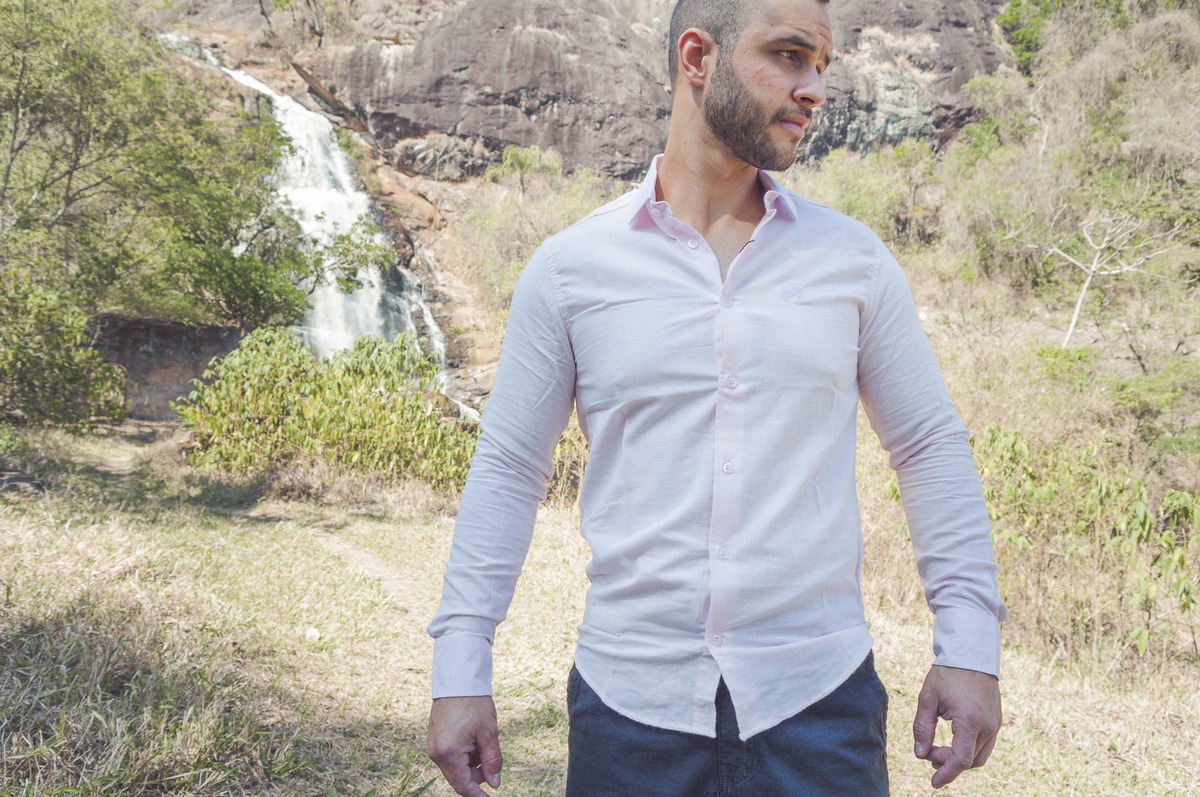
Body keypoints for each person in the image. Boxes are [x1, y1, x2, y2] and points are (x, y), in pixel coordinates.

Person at [426, 0, 1008, 793]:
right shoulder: (569, 269)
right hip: (629, 711)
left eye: (821, 66)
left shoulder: (855, 260)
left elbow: (929, 446)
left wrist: (969, 644)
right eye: (789, 55)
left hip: (821, 704)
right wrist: (461, 667)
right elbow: (508, 468)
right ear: (697, 58)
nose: (814, 88)